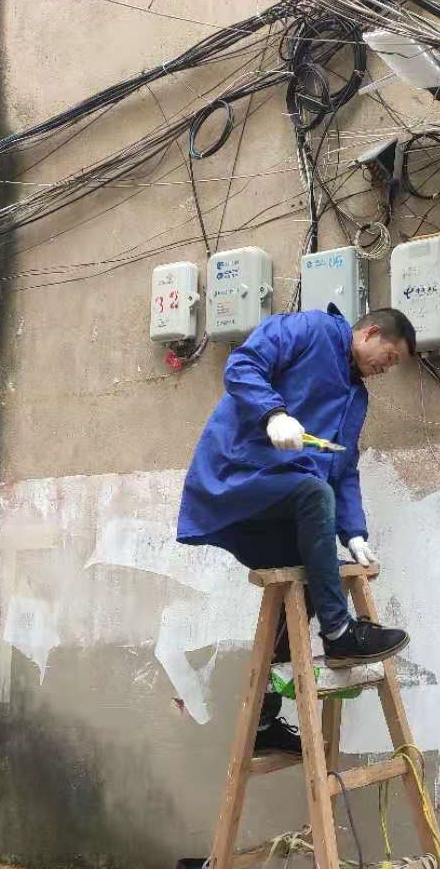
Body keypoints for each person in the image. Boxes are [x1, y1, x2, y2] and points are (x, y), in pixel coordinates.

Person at [177, 302, 416, 754]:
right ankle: (340, 634)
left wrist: (354, 532)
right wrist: (273, 414)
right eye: (389, 357)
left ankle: (264, 720)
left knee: (314, 575)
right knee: (313, 493)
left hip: (282, 501)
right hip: (240, 477)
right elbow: (243, 364)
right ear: (369, 333)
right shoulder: (312, 329)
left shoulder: (356, 397)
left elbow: (343, 468)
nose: (387, 369)